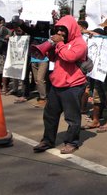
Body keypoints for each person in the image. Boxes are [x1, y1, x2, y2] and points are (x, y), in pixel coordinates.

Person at [33, 15, 88, 154]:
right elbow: (54, 58)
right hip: (57, 83)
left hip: (73, 85)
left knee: (72, 117)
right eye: (58, 30)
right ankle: (47, 140)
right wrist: (49, 48)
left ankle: (71, 142)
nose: (60, 33)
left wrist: (58, 44)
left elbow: (69, 57)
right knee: (50, 115)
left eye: (63, 30)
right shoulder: (60, 43)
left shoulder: (80, 43)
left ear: (71, 29)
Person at [81, 17, 107, 133]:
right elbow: (98, 36)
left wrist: (96, 36)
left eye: (106, 26)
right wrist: (89, 33)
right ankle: (96, 120)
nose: (104, 28)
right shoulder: (105, 37)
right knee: (97, 98)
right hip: (100, 73)